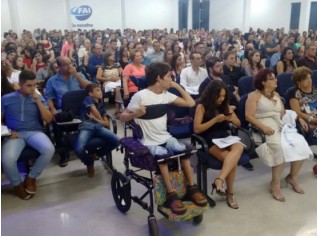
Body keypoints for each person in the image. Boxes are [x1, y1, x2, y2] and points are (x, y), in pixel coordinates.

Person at [120, 62, 207, 215]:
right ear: (159, 78)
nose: (171, 79)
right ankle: (170, 194)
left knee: (183, 151)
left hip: (165, 137)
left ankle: (191, 188)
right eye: (169, 77)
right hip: (149, 141)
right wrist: (135, 115)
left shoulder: (166, 95)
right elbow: (122, 117)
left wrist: (177, 86)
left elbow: (191, 103)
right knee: (162, 156)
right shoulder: (140, 96)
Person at [245, 68, 310, 202]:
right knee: (279, 147)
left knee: (300, 143)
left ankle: (292, 177)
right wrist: (263, 127)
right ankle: (275, 184)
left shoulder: (276, 95)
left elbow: (283, 112)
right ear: (263, 82)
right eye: (272, 78)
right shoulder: (254, 96)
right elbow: (248, 116)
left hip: (280, 125)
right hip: (262, 128)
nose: (276, 80)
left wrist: (299, 118)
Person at [1, 70, 55, 199]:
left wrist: (38, 101)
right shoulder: (6, 99)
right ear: (20, 84)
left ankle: (31, 178)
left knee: (49, 149)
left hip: (34, 132)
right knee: (7, 159)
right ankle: (17, 184)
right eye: (29, 85)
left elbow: (48, 119)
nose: (33, 88)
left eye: (35, 85)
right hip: (15, 134)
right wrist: (8, 132)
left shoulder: (38, 97)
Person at [194, 80, 244, 209]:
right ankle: (230, 193)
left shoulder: (225, 105)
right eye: (219, 96)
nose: (221, 99)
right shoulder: (201, 107)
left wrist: (232, 118)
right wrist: (215, 120)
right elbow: (197, 129)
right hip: (210, 139)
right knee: (231, 160)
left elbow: (238, 124)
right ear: (212, 94)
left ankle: (219, 180)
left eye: (223, 96)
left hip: (225, 137)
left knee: (239, 146)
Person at [45, 56, 90, 167]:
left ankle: (90, 149)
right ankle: (63, 154)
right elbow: (49, 98)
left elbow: (89, 88)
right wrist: (53, 110)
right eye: (65, 64)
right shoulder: (52, 80)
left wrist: (76, 75)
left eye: (70, 63)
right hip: (63, 110)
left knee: (90, 120)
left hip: (82, 108)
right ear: (59, 67)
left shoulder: (79, 75)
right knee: (56, 124)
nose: (69, 66)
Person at [74, 83, 120, 177]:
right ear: (90, 93)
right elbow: (94, 110)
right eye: (97, 90)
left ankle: (96, 155)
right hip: (86, 127)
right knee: (78, 149)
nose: (101, 92)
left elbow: (107, 123)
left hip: (98, 127)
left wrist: (95, 119)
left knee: (117, 140)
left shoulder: (101, 106)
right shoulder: (88, 99)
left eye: (100, 90)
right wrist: (101, 120)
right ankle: (89, 162)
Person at [96, 51, 123, 118]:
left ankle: (121, 109)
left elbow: (123, 74)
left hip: (117, 81)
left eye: (114, 54)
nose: (114, 56)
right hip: (108, 82)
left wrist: (118, 77)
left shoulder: (117, 64)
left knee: (118, 88)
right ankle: (118, 111)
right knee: (117, 89)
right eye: (111, 55)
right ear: (107, 57)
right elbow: (98, 77)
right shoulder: (102, 66)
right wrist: (110, 79)